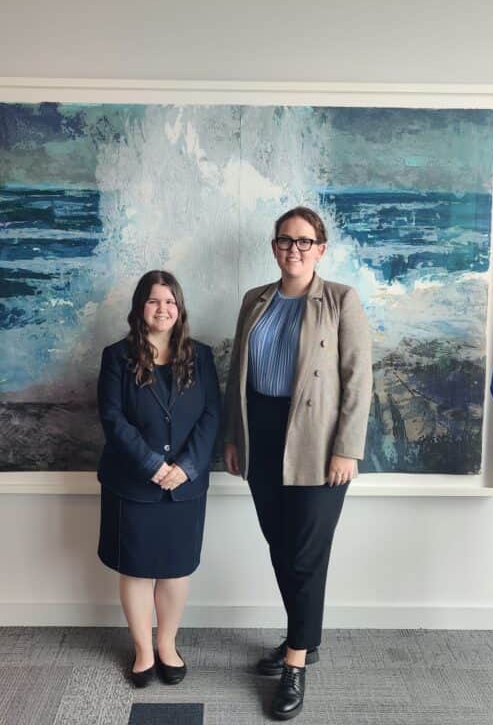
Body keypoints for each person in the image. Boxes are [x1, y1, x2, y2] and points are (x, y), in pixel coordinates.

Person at [223, 206, 373, 720]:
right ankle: (304, 638)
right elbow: (237, 374)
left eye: (305, 241)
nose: (294, 249)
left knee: (306, 552)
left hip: (317, 440)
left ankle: (295, 662)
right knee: (281, 545)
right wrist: (234, 436)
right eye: (286, 240)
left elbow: (358, 379)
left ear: (320, 249)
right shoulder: (254, 300)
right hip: (261, 434)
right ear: (274, 247)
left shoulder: (341, 300)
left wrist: (347, 448)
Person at [96, 270, 220, 688]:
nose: (162, 309)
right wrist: (152, 465)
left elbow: (211, 415)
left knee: (175, 569)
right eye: (153, 301)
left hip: (186, 485)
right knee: (136, 569)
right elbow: (112, 418)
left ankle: (167, 644)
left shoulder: (201, 357)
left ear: (180, 308)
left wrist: (187, 467)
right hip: (133, 483)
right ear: (140, 307)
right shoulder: (116, 357)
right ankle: (143, 651)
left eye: (170, 301)